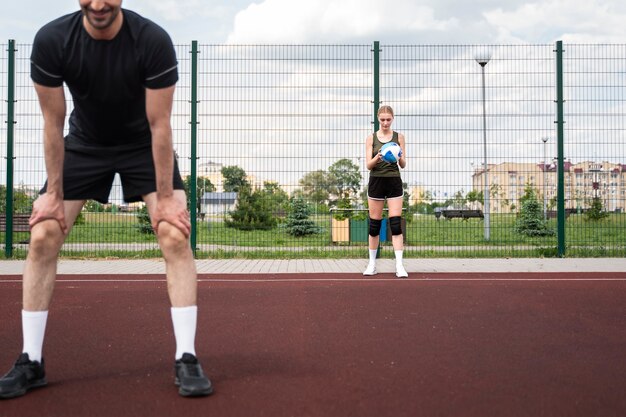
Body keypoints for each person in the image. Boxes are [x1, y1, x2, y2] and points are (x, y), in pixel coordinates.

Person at [0, 0, 212, 399]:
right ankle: (31, 359)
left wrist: (166, 198)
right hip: (83, 144)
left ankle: (187, 356)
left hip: (142, 145)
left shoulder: (151, 40)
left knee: (173, 234)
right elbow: (52, 121)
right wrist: (53, 194)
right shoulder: (52, 40)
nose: (98, 4)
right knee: (44, 233)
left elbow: (160, 123)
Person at [363, 105, 408, 278]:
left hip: (394, 181)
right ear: (378, 119)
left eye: (388, 119)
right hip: (377, 181)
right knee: (374, 225)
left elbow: (403, 165)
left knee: (395, 224)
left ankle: (399, 266)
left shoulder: (399, 137)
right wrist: (378, 156)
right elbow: (368, 165)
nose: (385, 123)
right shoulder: (371, 138)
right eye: (382, 119)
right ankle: (372, 264)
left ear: (392, 119)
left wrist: (399, 156)